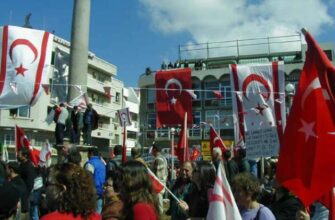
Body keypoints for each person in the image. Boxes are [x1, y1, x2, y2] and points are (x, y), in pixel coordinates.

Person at [17, 147, 38, 219]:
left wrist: (24, 196)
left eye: (19, 154)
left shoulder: (29, 166)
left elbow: (30, 184)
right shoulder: (21, 164)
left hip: (25, 196)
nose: (17, 155)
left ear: (25, 155)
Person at [84, 147, 106, 214]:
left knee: (89, 212)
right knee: (98, 212)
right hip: (101, 190)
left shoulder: (90, 164)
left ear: (91, 153)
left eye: (88, 153)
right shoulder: (102, 163)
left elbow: (87, 178)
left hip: (92, 190)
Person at [151, 144, 168, 214]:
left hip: (158, 182)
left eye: (152, 149)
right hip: (161, 181)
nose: (151, 151)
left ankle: (159, 214)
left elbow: (157, 173)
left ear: (154, 150)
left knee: (158, 200)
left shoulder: (158, 159)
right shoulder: (163, 158)